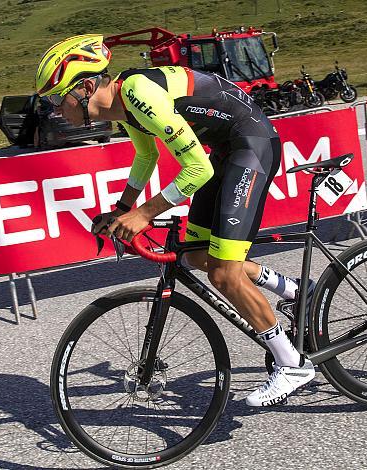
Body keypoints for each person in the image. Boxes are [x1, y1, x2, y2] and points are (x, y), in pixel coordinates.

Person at [35, 35, 315, 406]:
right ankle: (296, 291)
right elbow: (145, 157)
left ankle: (292, 363)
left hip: (251, 146)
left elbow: (195, 168)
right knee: (196, 257)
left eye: (58, 98)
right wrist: (123, 208)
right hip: (227, 151)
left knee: (224, 273)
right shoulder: (125, 102)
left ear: (86, 87)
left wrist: (145, 214)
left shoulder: (138, 93)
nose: (55, 109)